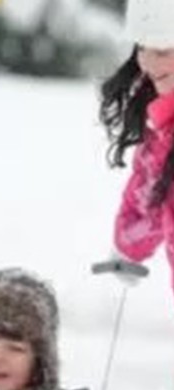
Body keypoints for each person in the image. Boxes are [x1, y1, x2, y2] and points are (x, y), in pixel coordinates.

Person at [101, 0, 174, 290]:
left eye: (163, 51)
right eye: (142, 48)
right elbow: (152, 190)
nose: (149, 64)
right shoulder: (164, 122)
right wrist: (129, 245)